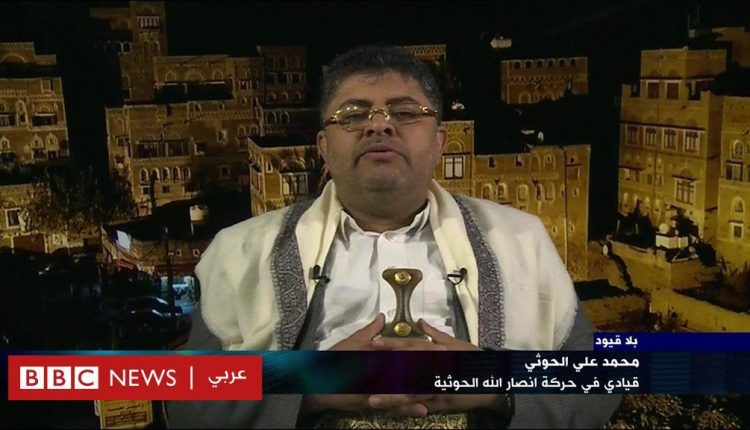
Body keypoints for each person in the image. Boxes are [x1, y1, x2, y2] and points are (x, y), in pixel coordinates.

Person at [168, 44, 621, 428]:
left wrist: (495, 383)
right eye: (352, 115)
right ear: (323, 146)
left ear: (441, 142)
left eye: (405, 113)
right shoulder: (241, 250)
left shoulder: (520, 240)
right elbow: (184, 399)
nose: (379, 124)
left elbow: (605, 379)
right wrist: (309, 386)